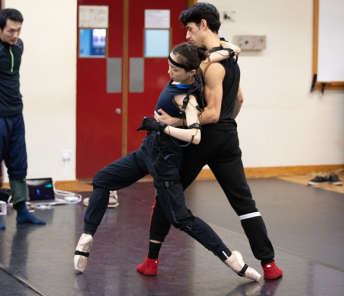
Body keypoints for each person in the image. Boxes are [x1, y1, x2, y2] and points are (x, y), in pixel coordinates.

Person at [74, 42, 261, 281]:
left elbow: (195, 136)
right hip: (147, 151)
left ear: (191, 72)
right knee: (102, 179)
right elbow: (233, 49)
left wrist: (162, 126)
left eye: (175, 68)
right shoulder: (197, 65)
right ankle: (87, 236)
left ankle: (233, 260)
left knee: (181, 218)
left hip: (165, 160)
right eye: (169, 64)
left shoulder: (188, 98)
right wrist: (229, 48)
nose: (169, 72)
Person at [137, 3, 283, 280]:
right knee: (244, 203)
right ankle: (269, 265)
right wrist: (228, 123)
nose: (188, 37)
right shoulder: (229, 60)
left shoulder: (213, 67)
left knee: (167, 190)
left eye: (190, 30)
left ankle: (151, 261)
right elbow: (238, 99)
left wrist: (175, 123)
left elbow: (212, 114)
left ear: (203, 24)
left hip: (204, 137)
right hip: (228, 137)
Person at [0, 8, 46, 229]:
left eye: (18, 30)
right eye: (10, 30)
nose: (15, 35)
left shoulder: (19, 46)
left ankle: (21, 210)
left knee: (18, 165)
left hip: (16, 115)